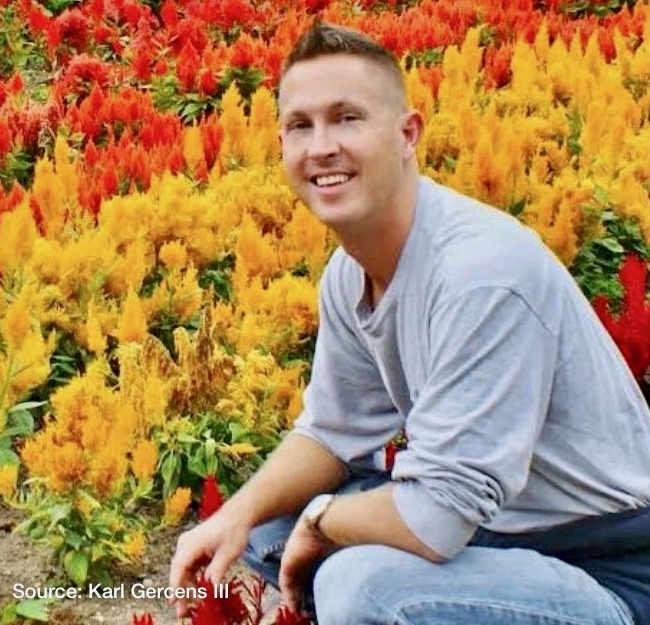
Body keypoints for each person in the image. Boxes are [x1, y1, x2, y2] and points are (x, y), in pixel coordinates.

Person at [169, 22, 650, 625]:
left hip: (608, 566)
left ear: (407, 134)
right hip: (497, 531)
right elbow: (331, 433)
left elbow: (436, 517)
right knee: (265, 525)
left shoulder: (480, 274)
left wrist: (324, 522)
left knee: (361, 585)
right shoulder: (350, 274)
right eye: (301, 125)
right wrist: (231, 517)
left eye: (347, 118)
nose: (321, 146)